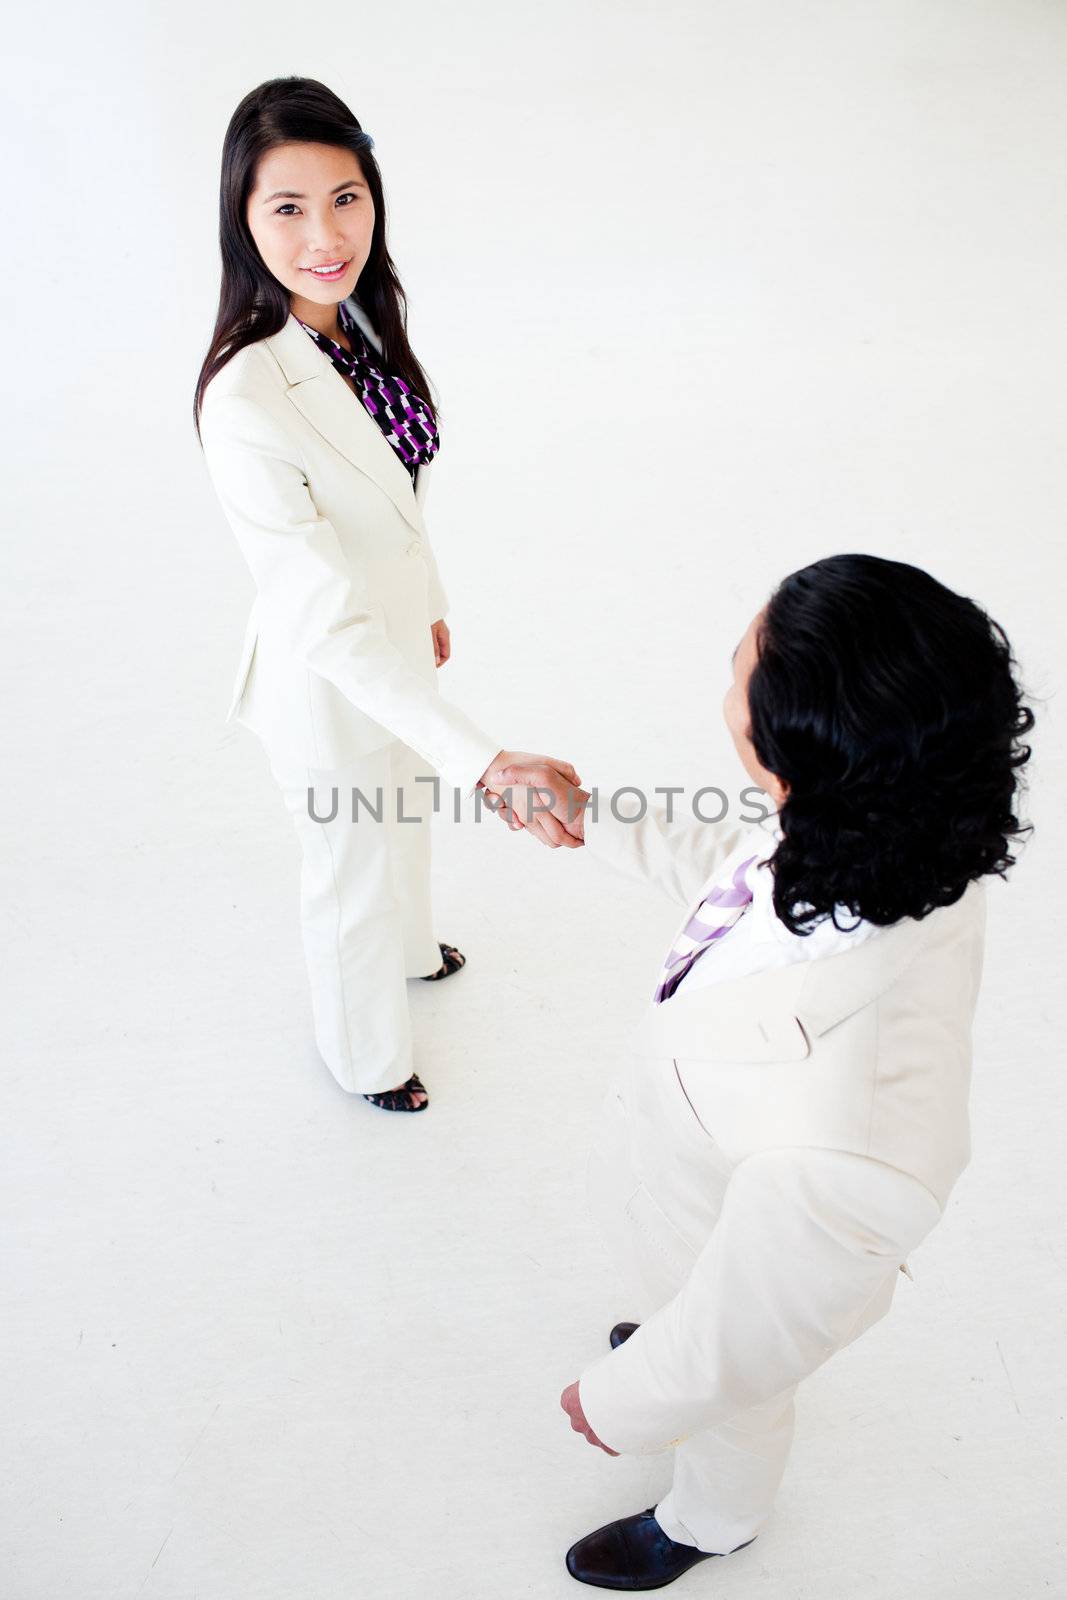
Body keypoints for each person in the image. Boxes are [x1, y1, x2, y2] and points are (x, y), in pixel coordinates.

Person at [496, 553, 1034, 1590]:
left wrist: (623, 1399)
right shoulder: (892, 822)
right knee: (681, 1307)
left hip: (738, 1258)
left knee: (729, 1397)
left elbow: (750, 1329)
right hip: (694, 1179)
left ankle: (710, 1520)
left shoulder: (853, 1150)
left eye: (741, 665)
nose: (728, 674)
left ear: (796, 753)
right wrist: (588, 812)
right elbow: (736, 869)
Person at [194, 77, 577, 1115]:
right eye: (287, 208)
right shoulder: (244, 400)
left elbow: (397, 498)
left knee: (400, 824)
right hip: (332, 678)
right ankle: (364, 1056)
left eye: (346, 196)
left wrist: (433, 596)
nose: (326, 233)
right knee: (350, 871)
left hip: (400, 644)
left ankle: (413, 953)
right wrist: (485, 762)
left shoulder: (358, 318)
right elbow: (322, 615)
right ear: (241, 221)